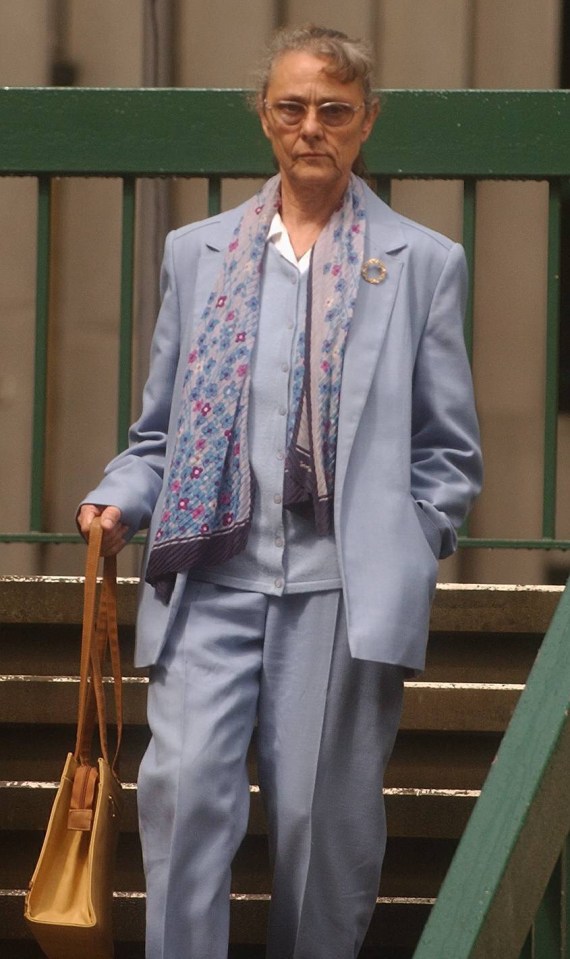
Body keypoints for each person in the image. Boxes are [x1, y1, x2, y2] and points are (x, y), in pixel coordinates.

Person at [78, 24, 482, 959]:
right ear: (265, 117)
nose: (312, 127)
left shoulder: (422, 263)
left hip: (339, 597)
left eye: (334, 111)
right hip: (208, 580)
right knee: (180, 797)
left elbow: (448, 451)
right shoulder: (198, 253)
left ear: (365, 122)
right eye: (293, 107)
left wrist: (410, 540)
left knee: (316, 827)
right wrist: (119, 495)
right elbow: (159, 436)